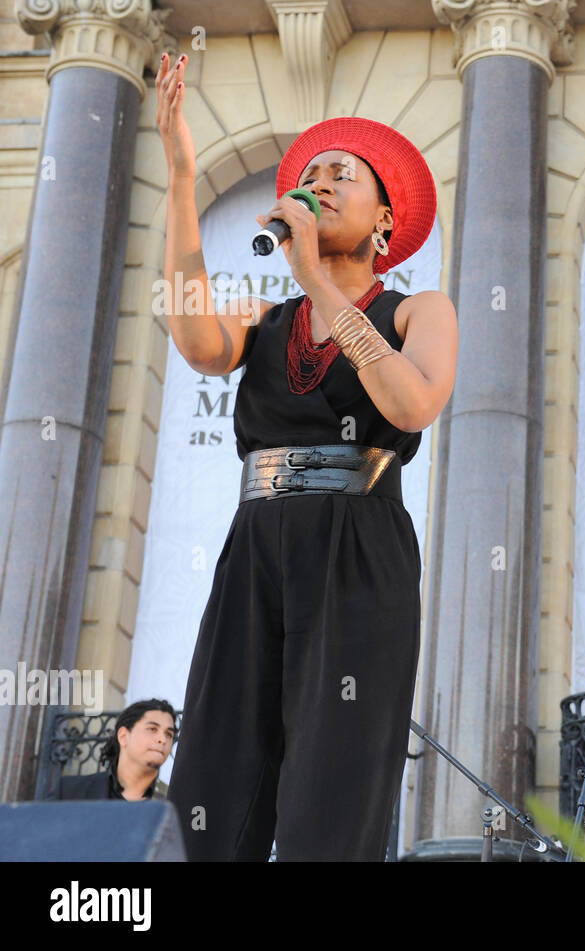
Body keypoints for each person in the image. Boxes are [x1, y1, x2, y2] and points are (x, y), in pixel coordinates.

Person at [153, 52, 457, 860]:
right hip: (257, 541)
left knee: (334, 778)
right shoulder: (265, 313)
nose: (321, 181)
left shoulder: (417, 309)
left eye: (343, 176)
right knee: (217, 770)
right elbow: (195, 340)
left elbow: (411, 403)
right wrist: (183, 179)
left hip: (359, 546)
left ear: (385, 221)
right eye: (312, 173)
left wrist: (319, 279)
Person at [58, 699, 177, 801]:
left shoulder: (174, 805)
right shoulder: (69, 792)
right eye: (152, 729)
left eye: (169, 734)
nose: (163, 739)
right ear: (123, 736)